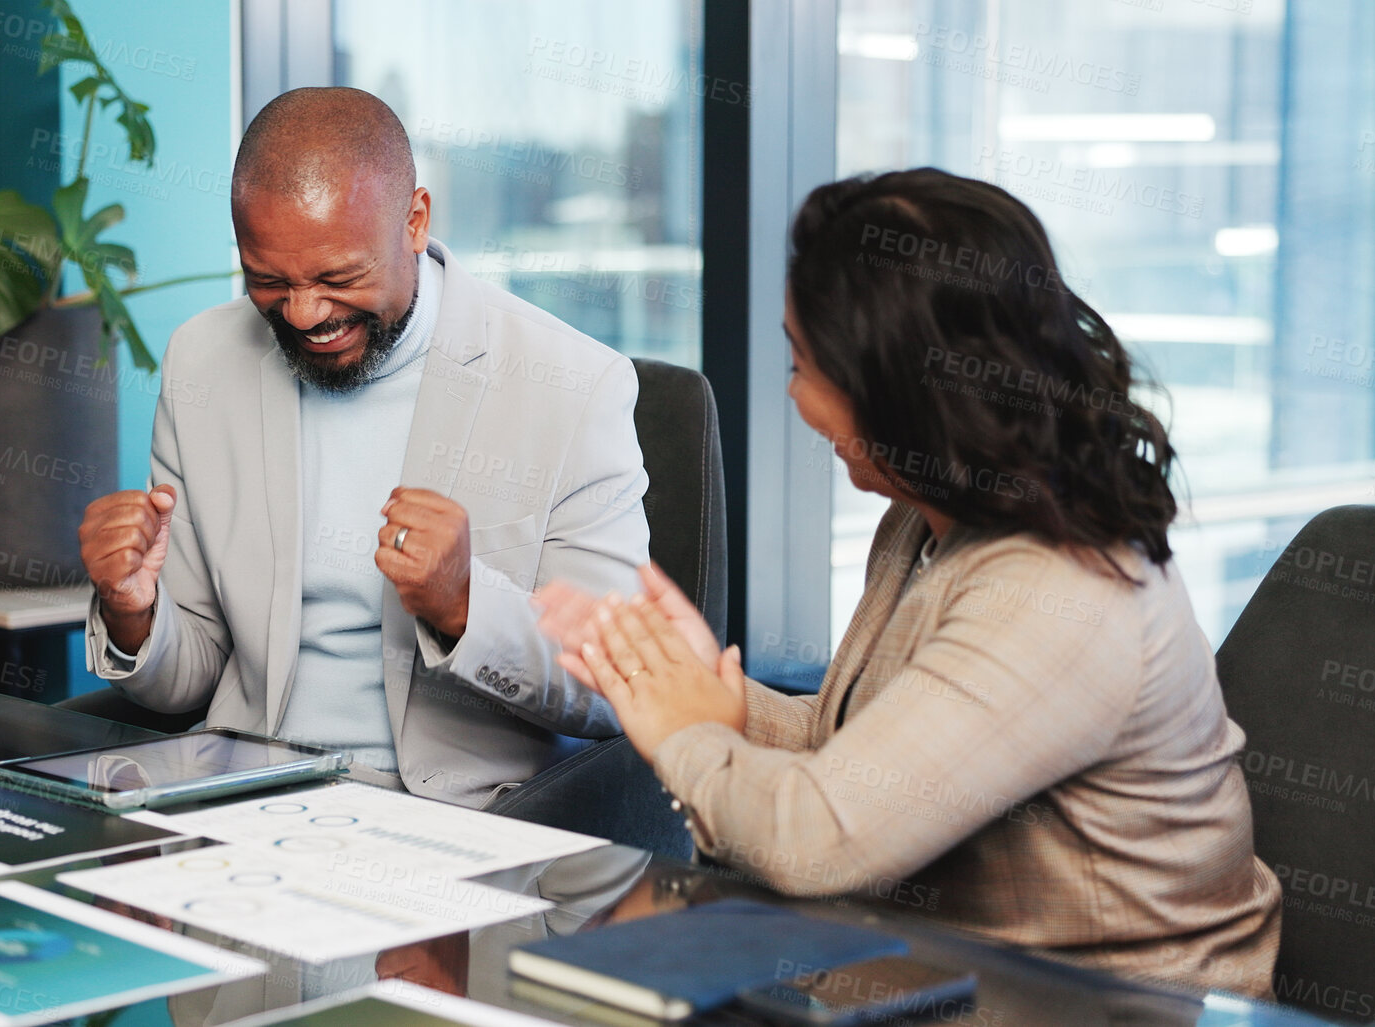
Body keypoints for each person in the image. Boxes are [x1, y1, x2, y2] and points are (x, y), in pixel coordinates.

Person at [534, 169, 1282, 997]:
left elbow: (816, 839)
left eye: (803, 363)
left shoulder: (1061, 596)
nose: (793, 395)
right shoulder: (928, 515)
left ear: (901, 396)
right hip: (935, 977)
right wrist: (723, 699)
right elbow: (865, 746)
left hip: (1099, 1012)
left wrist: (681, 733)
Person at [78, 87, 649, 808]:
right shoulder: (203, 360)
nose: (305, 313)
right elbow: (186, 680)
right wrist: (133, 611)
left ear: (414, 220)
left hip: (459, 821)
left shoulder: (574, 385)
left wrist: (464, 604)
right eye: (269, 281)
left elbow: (613, 688)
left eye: (339, 278)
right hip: (242, 799)